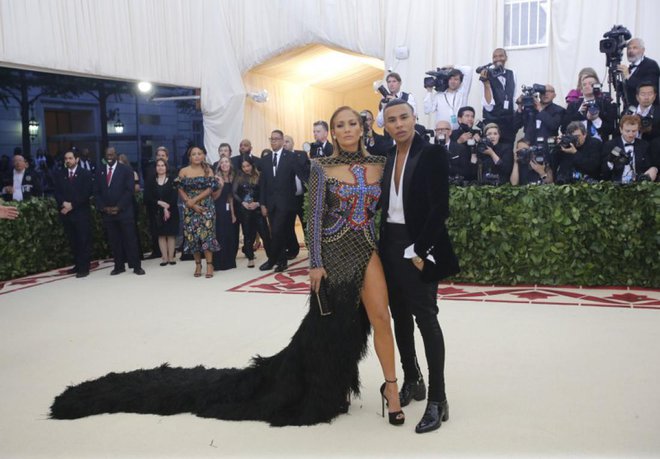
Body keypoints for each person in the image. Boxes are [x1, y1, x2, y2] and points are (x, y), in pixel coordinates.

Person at [50, 106, 406, 428]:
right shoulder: (321, 167)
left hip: (364, 247)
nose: (346, 130)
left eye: (351, 125)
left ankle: (391, 389)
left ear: (362, 128)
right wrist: (314, 263)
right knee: (331, 327)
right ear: (332, 131)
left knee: (379, 318)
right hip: (331, 251)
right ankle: (334, 386)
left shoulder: (380, 162)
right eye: (339, 125)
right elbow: (312, 218)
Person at [379, 99, 460, 434]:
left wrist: (420, 249)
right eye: (391, 120)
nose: (399, 124)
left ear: (414, 119)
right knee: (399, 315)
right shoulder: (386, 157)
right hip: (389, 245)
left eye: (404, 117)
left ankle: (438, 400)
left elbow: (440, 209)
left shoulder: (431, 154)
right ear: (385, 126)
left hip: (419, 246)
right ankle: (412, 378)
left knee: (425, 318)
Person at [258, 130, 309, 272]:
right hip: (270, 203)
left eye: (276, 139)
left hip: (287, 203)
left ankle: (273, 259)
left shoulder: (291, 157)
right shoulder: (266, 160)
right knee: (276, 232)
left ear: (281, 140)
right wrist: (262, 203)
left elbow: (303, 175)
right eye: (271, 139)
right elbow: (263, 184)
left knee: (278, 230)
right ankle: (281, 261)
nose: (273, 142)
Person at [95, 147, 145, 276]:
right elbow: (97, 192)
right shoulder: (100, 170)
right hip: (108, 213)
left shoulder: (126, 170)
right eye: (107, 154)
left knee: (130, 240)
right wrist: (104, 208)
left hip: (124, 212)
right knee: (114, 240)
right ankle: (119, 266)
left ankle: (136, 266)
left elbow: (129, 191)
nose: (109, 156)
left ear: (116, 155)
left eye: (111, 154)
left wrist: (118, 207)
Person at [177, 146, 220, 278]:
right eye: (193, 154)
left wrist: (194, 200)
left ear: (203, 156)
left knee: (207, 235)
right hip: (190, 208)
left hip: (206, 206)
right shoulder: (183, 171)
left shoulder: (208, 170)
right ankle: (197, 265)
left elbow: (211, 188)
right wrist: (190, 203)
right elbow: (179, 188)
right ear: (189, 157)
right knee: (193, 237)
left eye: (199, 153)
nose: (196, 156)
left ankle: (210, 264)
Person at [53, 149, 93, 277]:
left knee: (83, 240)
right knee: (73, 241)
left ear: (77, 159)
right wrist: (63, 203)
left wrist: (72, 205)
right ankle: (77, 265)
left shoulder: (85, 174)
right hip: (67, 214)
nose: (68, 161)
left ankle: (84, 268)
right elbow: (57, 191)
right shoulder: (60, 174)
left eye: (70, 158)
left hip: (81, 213)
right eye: (66, 159)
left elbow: (86, 193)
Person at [233, 157, 271, 268]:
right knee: (248, 235)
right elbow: (234, 193)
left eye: (248, 166)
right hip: (245, 210)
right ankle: (250, 257)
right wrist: (242, 203)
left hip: (258, 209)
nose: (246, 168)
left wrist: (258, 203)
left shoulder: (259, 176)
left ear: (252, 165)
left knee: (265, 234)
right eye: (243, 166)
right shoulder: (238, 177)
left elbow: (265, 192)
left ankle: (271, 256)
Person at [601, 115, 657, 183]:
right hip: (616, 186)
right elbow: (603, 173)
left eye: (634, 131)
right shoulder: (610, 145)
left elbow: (649, 166)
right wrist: (610, 162)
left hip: (638, 185)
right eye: (627, 131)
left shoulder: (644, 145)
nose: (630, 135)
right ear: (621, 130)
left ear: (638, 130)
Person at [144, 158, 180, 266]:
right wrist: (160, 203)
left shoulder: (173, 179)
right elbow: (147, 197)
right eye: (158, 165)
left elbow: (175, 195)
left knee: (170, 234)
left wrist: (167, 206)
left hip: (172, 210)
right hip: (157, 212)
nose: (160, 167)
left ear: (166, 167)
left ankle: (171, 258)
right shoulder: (151, 180)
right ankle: (164, 258)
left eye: (162, 165)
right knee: (161, 235)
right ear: (156, 168)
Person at [562, 75, 616, 142]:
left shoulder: (604, 104)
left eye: (591, 84)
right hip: (577, 144)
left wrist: (595, 119)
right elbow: (563, 129)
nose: (587, 86)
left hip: (599, 144)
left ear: (597, 86)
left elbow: (610, 129)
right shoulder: (573, 105)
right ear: (581, 89)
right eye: (584, 85)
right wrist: (580, 114)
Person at [480, 48, 517, 144]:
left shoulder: (512, 73)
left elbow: (513, 97)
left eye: (501, 56)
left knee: (507, 149)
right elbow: (488, 104)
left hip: (508, 122)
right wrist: (486, 84)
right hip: (492, 120)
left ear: (506, 58)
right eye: (494, 57)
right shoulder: (487, 74)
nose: (497, 59)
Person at [143, 146, 171, 260]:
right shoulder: (150, 170)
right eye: (158, 155)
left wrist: (167, 205)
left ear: (167, 157)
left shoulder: (172, 171)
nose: (160, 157)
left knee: (169, 231)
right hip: (154, 206)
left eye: (163, 155)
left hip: (169, 206)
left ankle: (170, 253)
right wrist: (157, 202)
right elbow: (147, 191)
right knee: (155, 230)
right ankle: (157, 251)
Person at [618, 38, 660, 110]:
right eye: (629, 48)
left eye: (635, 48)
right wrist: (617, 83)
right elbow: (629, 90)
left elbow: (647, 88)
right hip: (630, 112)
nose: (631, 51)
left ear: (643, 50)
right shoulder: (630, 68)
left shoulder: (651, 65)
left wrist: (628, 76)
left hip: (648, 113)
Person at [212, 156, 237, 271]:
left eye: (226, 162)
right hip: (218, 208)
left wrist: (232, 214)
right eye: (222, 162)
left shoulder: (232, 177)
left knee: (229, 235)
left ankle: (229, 262)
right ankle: (219, 263)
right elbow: (213, 197)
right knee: (220, 235)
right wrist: (221, 187)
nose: (224, 164)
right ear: (219, 165)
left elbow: (230, 197)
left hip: (227, 209)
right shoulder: (216, 178)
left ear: (230, 164)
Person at [283, 135, 306, 260]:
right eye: (284, 142)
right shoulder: (281, 158)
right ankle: (292, 250)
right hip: (289, 198)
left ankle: (311, 249)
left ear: (293, 143)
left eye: (287, 141)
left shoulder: (301, 155)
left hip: (303, 197)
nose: (285, 144)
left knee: (306, 223)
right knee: (289, 225)